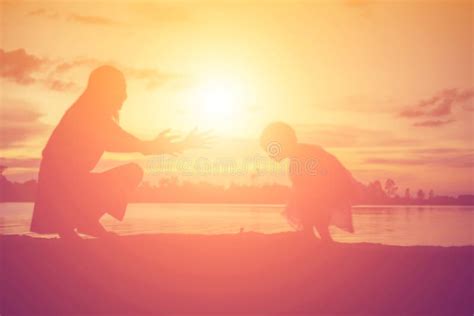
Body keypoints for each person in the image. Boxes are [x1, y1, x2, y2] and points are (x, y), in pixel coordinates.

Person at [31, 65, 211, 240]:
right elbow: (130, 144)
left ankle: (84, 222)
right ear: (105, 91)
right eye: (121, 89)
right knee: (131, 173)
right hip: (60, 194)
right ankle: (78, 223)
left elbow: (136, 144)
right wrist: (171, 145)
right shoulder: (87, 116)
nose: (125, 96)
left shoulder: (95, 117)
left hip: (69, 190)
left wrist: (181, 145)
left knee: (131, 171)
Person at [260, 122, 355, 242]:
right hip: (322, 187)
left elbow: (311, 190)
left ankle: (317, 238)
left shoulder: (303, 155)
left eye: (271, 149)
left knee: (309, 204)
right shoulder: (299, 154)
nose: (270, 155)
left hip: (327, 186)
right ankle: (312, 236)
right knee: (306, 203)